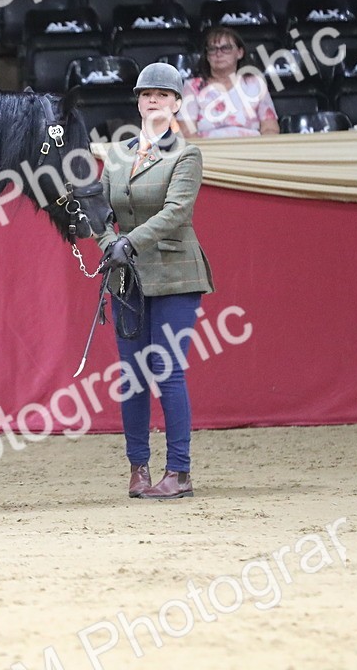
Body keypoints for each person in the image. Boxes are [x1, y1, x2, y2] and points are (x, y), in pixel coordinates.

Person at [97, 62, 215, 500]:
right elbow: (101, 212)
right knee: (131, 376)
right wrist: (110, 243)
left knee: (166, 371)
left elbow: (176, 212)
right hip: (126, 277)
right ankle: (138, 468)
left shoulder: (186, 154)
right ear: (138, 101)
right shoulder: (117, 154)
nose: (153, 100)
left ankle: (179, 471)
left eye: (162, 95)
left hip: (174, 274)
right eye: (146, 94)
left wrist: (128, 243)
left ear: (177, 104)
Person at [177, 26, 280, 139]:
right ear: (207, 56)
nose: (218, 54)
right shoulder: (192, 87)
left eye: (226, 48)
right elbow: (186, 133)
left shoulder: (255, 83)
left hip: (251, 150)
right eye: (212, 49)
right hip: (208, 152)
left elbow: (270, 129)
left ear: (240, 53)